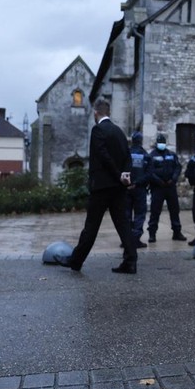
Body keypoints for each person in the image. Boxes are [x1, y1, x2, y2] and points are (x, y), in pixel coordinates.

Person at [57, 99, 138, 274]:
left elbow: (102, 156)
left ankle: (75, 261)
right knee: (123, 225)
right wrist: (125, 176)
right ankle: (131, 261)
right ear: (109, 112)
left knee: (91, 226)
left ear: (96, 113)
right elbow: (127, 157)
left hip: (101, 187)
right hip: (118, 188)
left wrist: (116, 174)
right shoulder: (119, 132)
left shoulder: (98, 130)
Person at [146, 134, 187, 243]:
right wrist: (159, 181)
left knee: (174, 210)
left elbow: (177, 168)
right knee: (155, 211)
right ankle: (152, 234)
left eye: (163, 142)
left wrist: (172, 179)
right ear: (157, 143)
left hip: (170, 187)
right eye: (160, 142)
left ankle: (177, 232)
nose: (162, 144)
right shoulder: (151, 156)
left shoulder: (171, 155)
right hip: (157, 188)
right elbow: (149, 171)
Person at [126, 131, 150, 248]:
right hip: (139, 189)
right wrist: (137, 183)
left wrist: (129, 183)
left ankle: (126, 239)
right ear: (141, 141)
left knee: (126, 214)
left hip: (126, 188)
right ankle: (135, 238)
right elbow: (149, 173)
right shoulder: (145, 154)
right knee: (140, 214)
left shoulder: (126, 153)